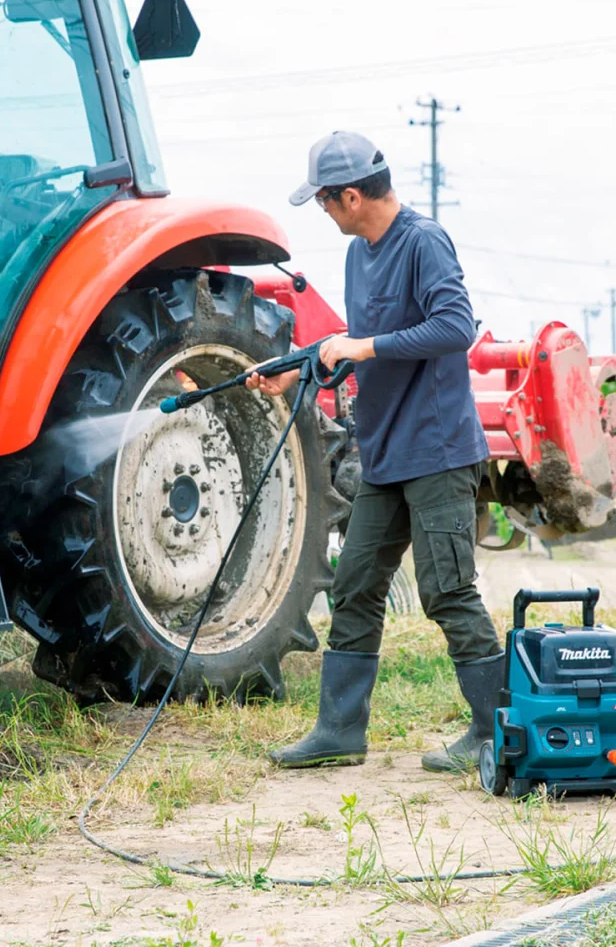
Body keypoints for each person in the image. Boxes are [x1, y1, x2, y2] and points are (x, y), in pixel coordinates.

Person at [247, 130, 503, 773]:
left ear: (352, 195)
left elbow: (456, 327)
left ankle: (494, 732)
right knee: (356, 585)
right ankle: (339, 732)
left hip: (439, 453)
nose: (324, 213)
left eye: (325, 202)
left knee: (447, 592)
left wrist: (362, 347)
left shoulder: (423, 242)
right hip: (385, 455)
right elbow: (354, 341)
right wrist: (297, 368)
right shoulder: (360, 255)